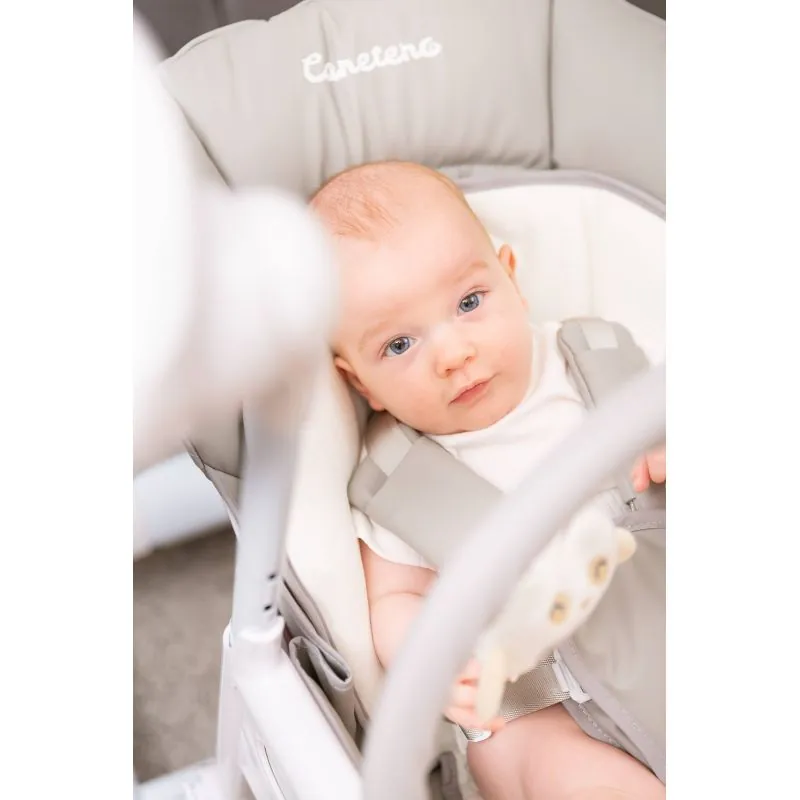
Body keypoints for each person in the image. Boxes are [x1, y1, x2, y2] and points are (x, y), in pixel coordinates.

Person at [310, 160, 666, 800]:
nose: (454, 354)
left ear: (511, 279)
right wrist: (434, 662)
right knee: (537, 759)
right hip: (548, 706)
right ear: (360, 382)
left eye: (469, 303)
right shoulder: (401, 477)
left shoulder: (600, 358)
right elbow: (393, 600)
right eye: (399, 345)